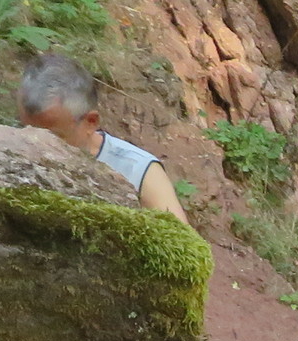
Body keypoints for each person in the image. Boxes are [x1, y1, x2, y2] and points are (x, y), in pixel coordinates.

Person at [17, 53, 192, 227]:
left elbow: (181, 241)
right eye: (25, 129)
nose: (36, 143)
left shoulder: (137, 171)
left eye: (53, 136)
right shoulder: (14, 152)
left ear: (90, 122)